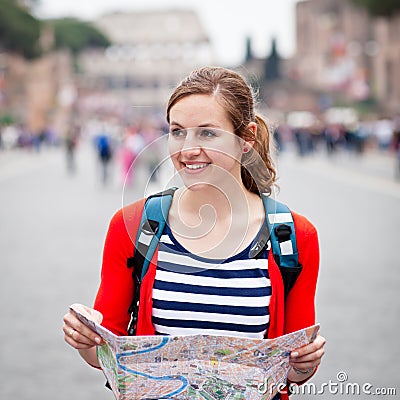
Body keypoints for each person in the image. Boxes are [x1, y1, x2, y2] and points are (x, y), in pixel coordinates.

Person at [63, 66, 326, 399]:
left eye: (207, 133)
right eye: (177, 131)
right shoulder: (131, 225)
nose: (187, 149)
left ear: (245, 139)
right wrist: (86, 340)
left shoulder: (293, 236)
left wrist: (304, 363)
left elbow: (294, 372)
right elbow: (107, 356)